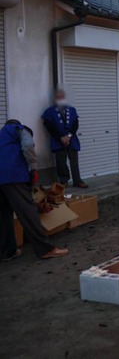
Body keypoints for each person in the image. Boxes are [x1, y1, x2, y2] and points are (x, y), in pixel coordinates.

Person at [0, 120, 68, 261]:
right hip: (13, 176)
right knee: (28, 212)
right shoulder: (19, 129)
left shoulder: (2, 135)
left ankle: (8, 251)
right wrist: (33, 167)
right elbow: (28, 145)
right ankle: (45, 249)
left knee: (3, 215)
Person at [42, 89, 88, 188]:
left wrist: (69, 136)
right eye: (58, 97)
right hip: (58, 140)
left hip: (72, 139)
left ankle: (77, 180)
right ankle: (64, 181)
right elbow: (49, 126)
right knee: (61, 162)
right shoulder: (49, 112)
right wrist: (61, 137)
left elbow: (75, 124)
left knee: (74, 161)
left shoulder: (72, 110)